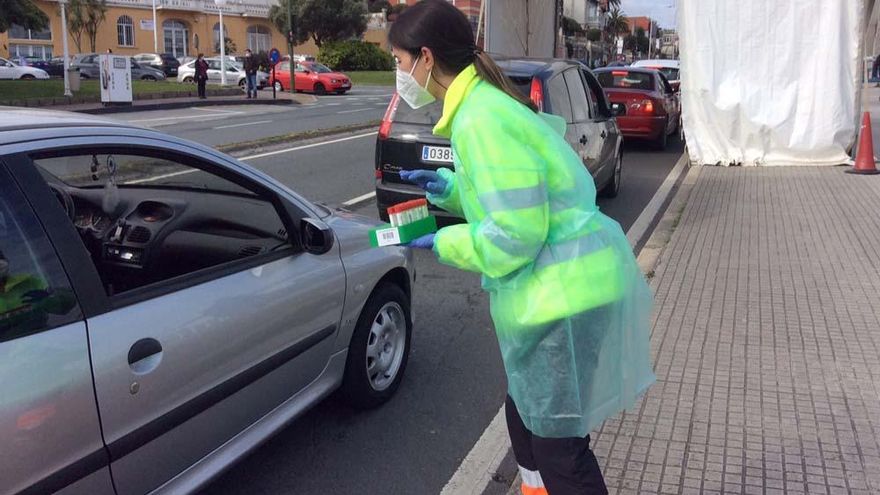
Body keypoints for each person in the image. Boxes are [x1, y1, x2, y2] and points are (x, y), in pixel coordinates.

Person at [391, 2, 655, 494]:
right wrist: (448, 190)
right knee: (525, 419)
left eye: (401, 61)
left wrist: (445, 240)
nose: (400, 73)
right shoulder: (483, 106)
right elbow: (513, 193)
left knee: (558, 446)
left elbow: (515, 234)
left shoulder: (480, 119)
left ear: (426, 58)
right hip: (567, 286)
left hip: (563, 296)